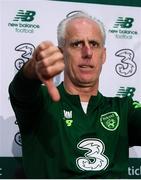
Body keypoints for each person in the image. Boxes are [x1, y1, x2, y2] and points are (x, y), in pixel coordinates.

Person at [9, 10, 141, 179]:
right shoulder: (41, 102)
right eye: (77, 44)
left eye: (94, 44)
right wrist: (33, 68)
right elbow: (21, 90)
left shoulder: (123, 109)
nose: (88, 53)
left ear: (104, 55)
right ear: (61, 53)